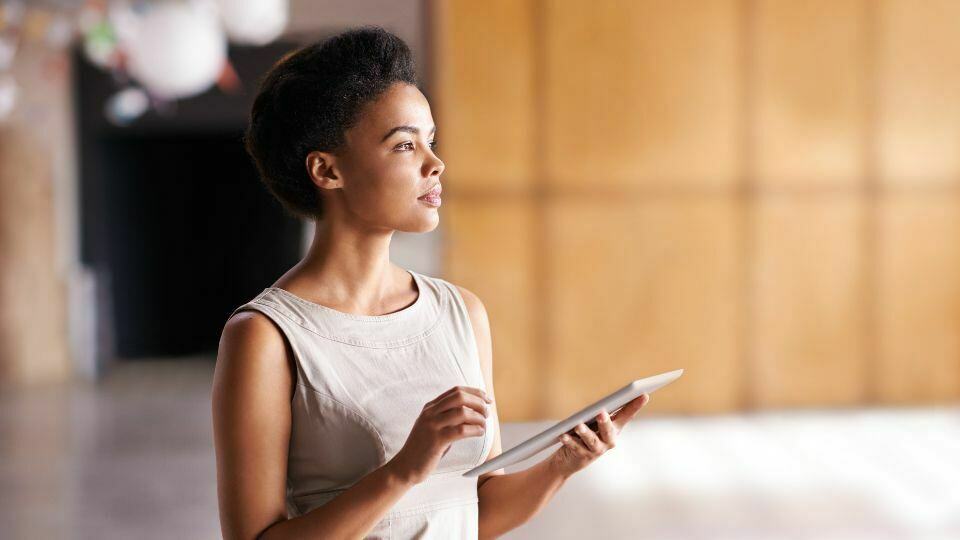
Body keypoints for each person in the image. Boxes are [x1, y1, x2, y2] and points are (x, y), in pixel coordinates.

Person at [210, 26, 650, 540]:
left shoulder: (461, 313)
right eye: (404, 145)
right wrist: (402, 471)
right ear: (327, 171)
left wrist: (563, 464)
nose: (434, 163)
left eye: (431, 141)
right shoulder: (265, 337)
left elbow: (477, 511)